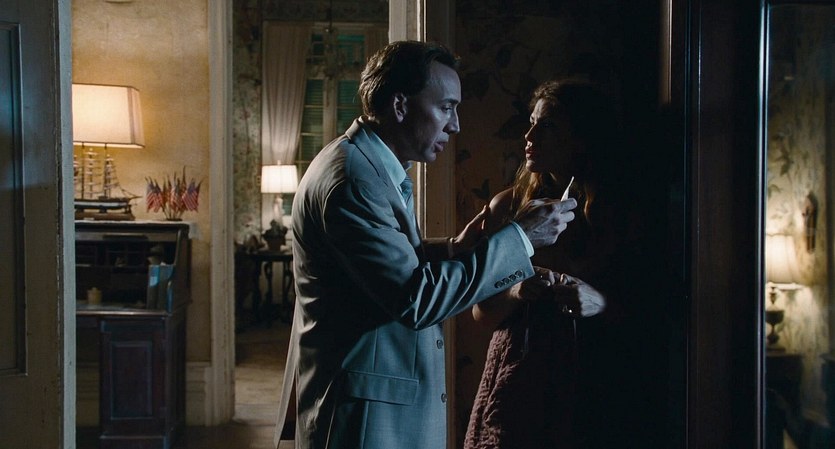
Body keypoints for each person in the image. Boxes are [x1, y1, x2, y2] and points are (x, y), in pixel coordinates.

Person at [273, 41, 578, 449]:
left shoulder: (368, 166)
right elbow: (415, 299)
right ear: (400, 105)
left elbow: (374, 267)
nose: (455, 126)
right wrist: (521, 238)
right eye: (446, 108)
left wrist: (451, 249)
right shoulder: (354, 181)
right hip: (365, 421)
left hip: (374, 408)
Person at [464, 78, 648, 448]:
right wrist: (516, 292)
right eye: (531, 122)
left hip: (596, 380)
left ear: (583, 138)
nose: (529, 135)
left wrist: (598, 302)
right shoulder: (508, 207)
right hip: (521, 380)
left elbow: (651, 314)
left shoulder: (623, 214)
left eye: (546, 125)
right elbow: (481, 313)